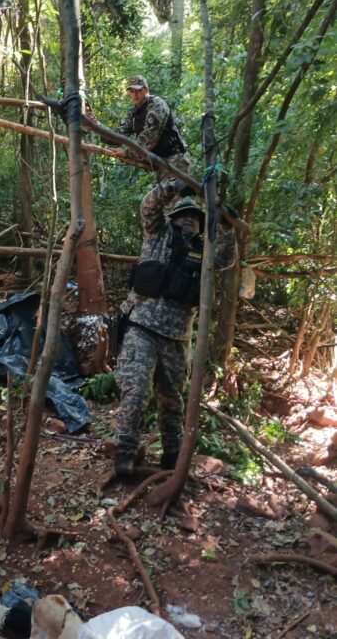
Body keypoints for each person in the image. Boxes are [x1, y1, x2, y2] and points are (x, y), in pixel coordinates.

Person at [114, 178, 237, 475]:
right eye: (183, 214)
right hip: (142, 328)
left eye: (195, 217)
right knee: (136, 391)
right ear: (172, 218)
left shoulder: (203, 250)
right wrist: (177, 187)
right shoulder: (158, 234)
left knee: (172, 401)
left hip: (178, 338)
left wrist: (226, 225)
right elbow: (149, 205)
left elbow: (227, 258)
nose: (188, 219)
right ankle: (125, 454)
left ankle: (172, 458)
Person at [112, 75, 191, 180]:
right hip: (161, 164)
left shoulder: (156, 105)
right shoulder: (134, 111)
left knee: (170, 195)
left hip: (175, 161)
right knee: (162, 196)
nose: (135, 95)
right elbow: (118, 135)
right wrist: (96, 125)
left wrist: (127, 153)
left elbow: (149, 138)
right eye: (131, 91)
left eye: (138, 90)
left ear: (146, 90)